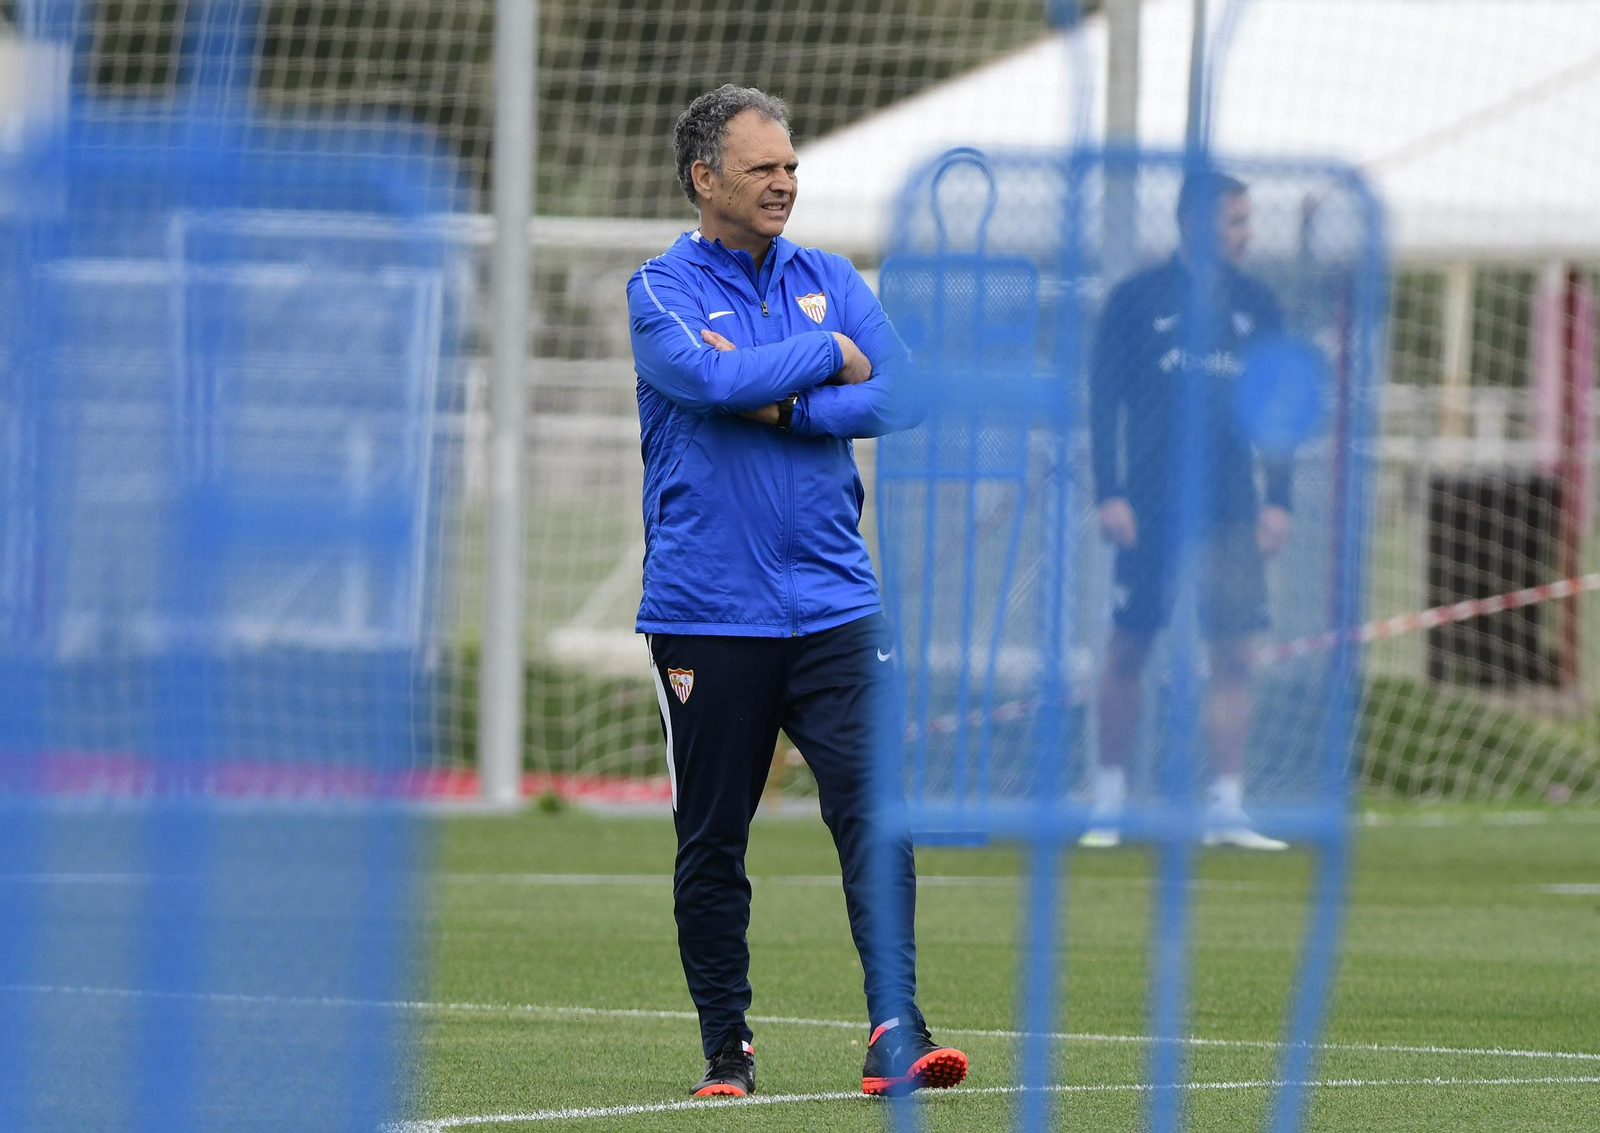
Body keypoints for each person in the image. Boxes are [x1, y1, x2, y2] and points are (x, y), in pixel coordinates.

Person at [626, 84, 968, 1099]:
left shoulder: (831, 275)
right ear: (705, 178)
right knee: (713, 838)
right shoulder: (658, 289)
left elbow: (904, 390)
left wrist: (790, 405)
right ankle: (726, 1049)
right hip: (707, 612)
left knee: (875, 814)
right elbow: (709, 381)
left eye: (790, 167)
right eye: (762, 167)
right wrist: (829, 356)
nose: (783, 182)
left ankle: (896, 1028)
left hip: (835, 605)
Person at [1082, 170, 1291, 852]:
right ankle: (1109, 802)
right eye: (1235, 220)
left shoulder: (1257, 304)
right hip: (1149, 505)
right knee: (1129, 645)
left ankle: (1226, 806)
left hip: (1231, 505)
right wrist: (1110, 491)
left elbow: (1275, 407)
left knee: (1233, 652)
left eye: (1247, 219)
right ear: (1194, 222)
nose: (1246, 233)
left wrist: (1279, 499)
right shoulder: (1136, 299)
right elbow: (1103, 401)